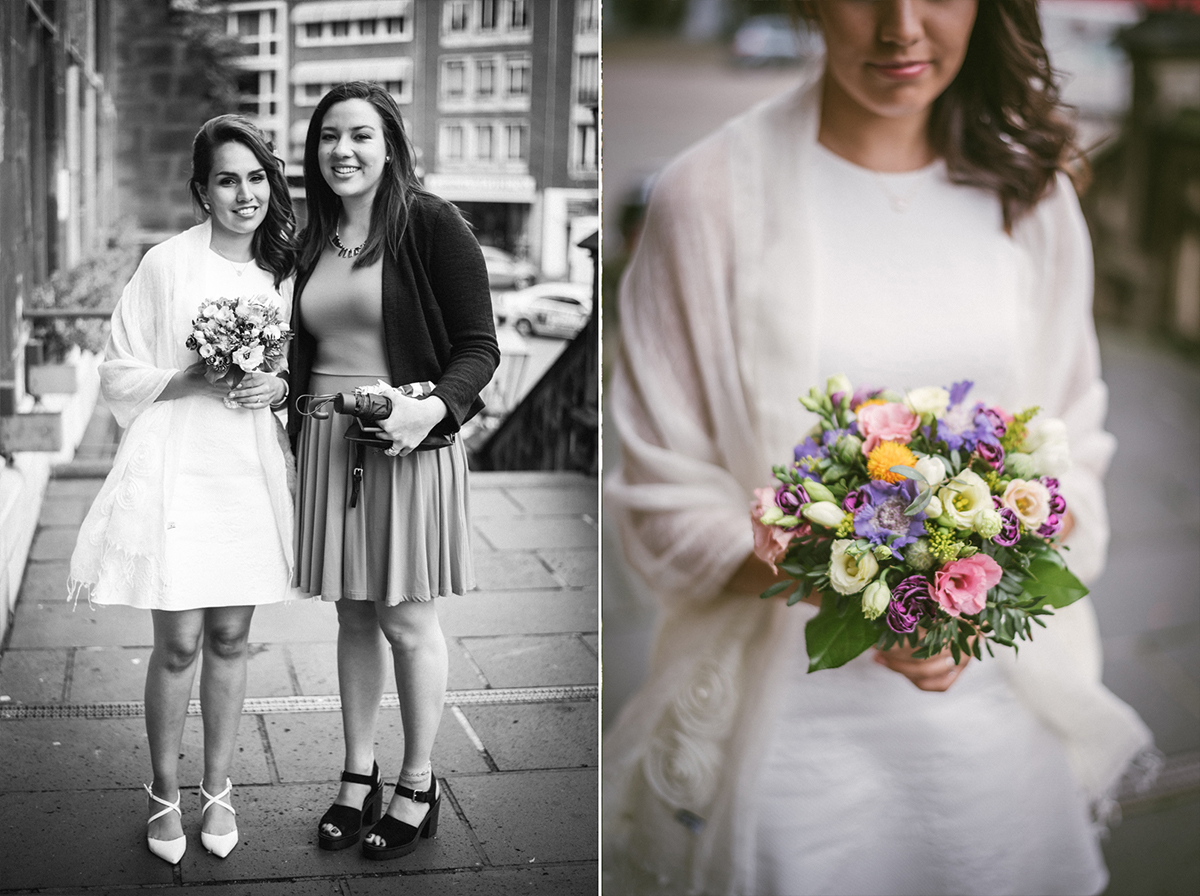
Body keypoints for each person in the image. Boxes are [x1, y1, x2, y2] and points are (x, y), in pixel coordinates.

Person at [603, 2, 1157, 894]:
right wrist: (860, 580)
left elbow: (1072, 440)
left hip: (1001, 726)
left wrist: (969, 591)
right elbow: (657, 491)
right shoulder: (705, 197)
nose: (902, 28)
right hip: (793, 746)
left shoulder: (1034, 194)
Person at [68, 115, 298, 864]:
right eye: (227, 180)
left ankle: (219, 787)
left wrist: (278, 382)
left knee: (232, 638)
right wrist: (183, 377)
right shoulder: (166, 264)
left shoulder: (283, 269)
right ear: (202, 191)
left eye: (256, 177)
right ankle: (164, 792)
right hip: (180, 464)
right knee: (179, 645)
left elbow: (304, 369)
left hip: (246, 467)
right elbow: (117, 364)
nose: (245, 194)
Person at [285, 81, 498, 861]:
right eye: (329, 135)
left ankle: (418, 781)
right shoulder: (311, 237)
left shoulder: (431, 224)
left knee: (407, 619)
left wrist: (431, 411)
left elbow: (480, 347)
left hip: (408, 444)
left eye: (361, 135)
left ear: (390, 146)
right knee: (351, 615)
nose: (343, 149)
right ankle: (356, 774)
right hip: (328, 448)